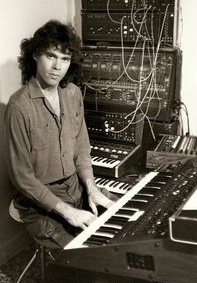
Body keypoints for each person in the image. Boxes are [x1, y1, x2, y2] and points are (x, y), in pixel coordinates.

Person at [5, 20, 115, 250]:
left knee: (122, 229)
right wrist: (68, 212)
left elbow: (82, 147)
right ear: (35, 55)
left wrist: (91, 188)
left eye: (65, 59)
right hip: (41, 203)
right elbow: (22, 177)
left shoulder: (73, 93)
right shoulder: (18, 106)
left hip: (77, 187)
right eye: (51, 56)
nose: (57, 66)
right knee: (84, 258)